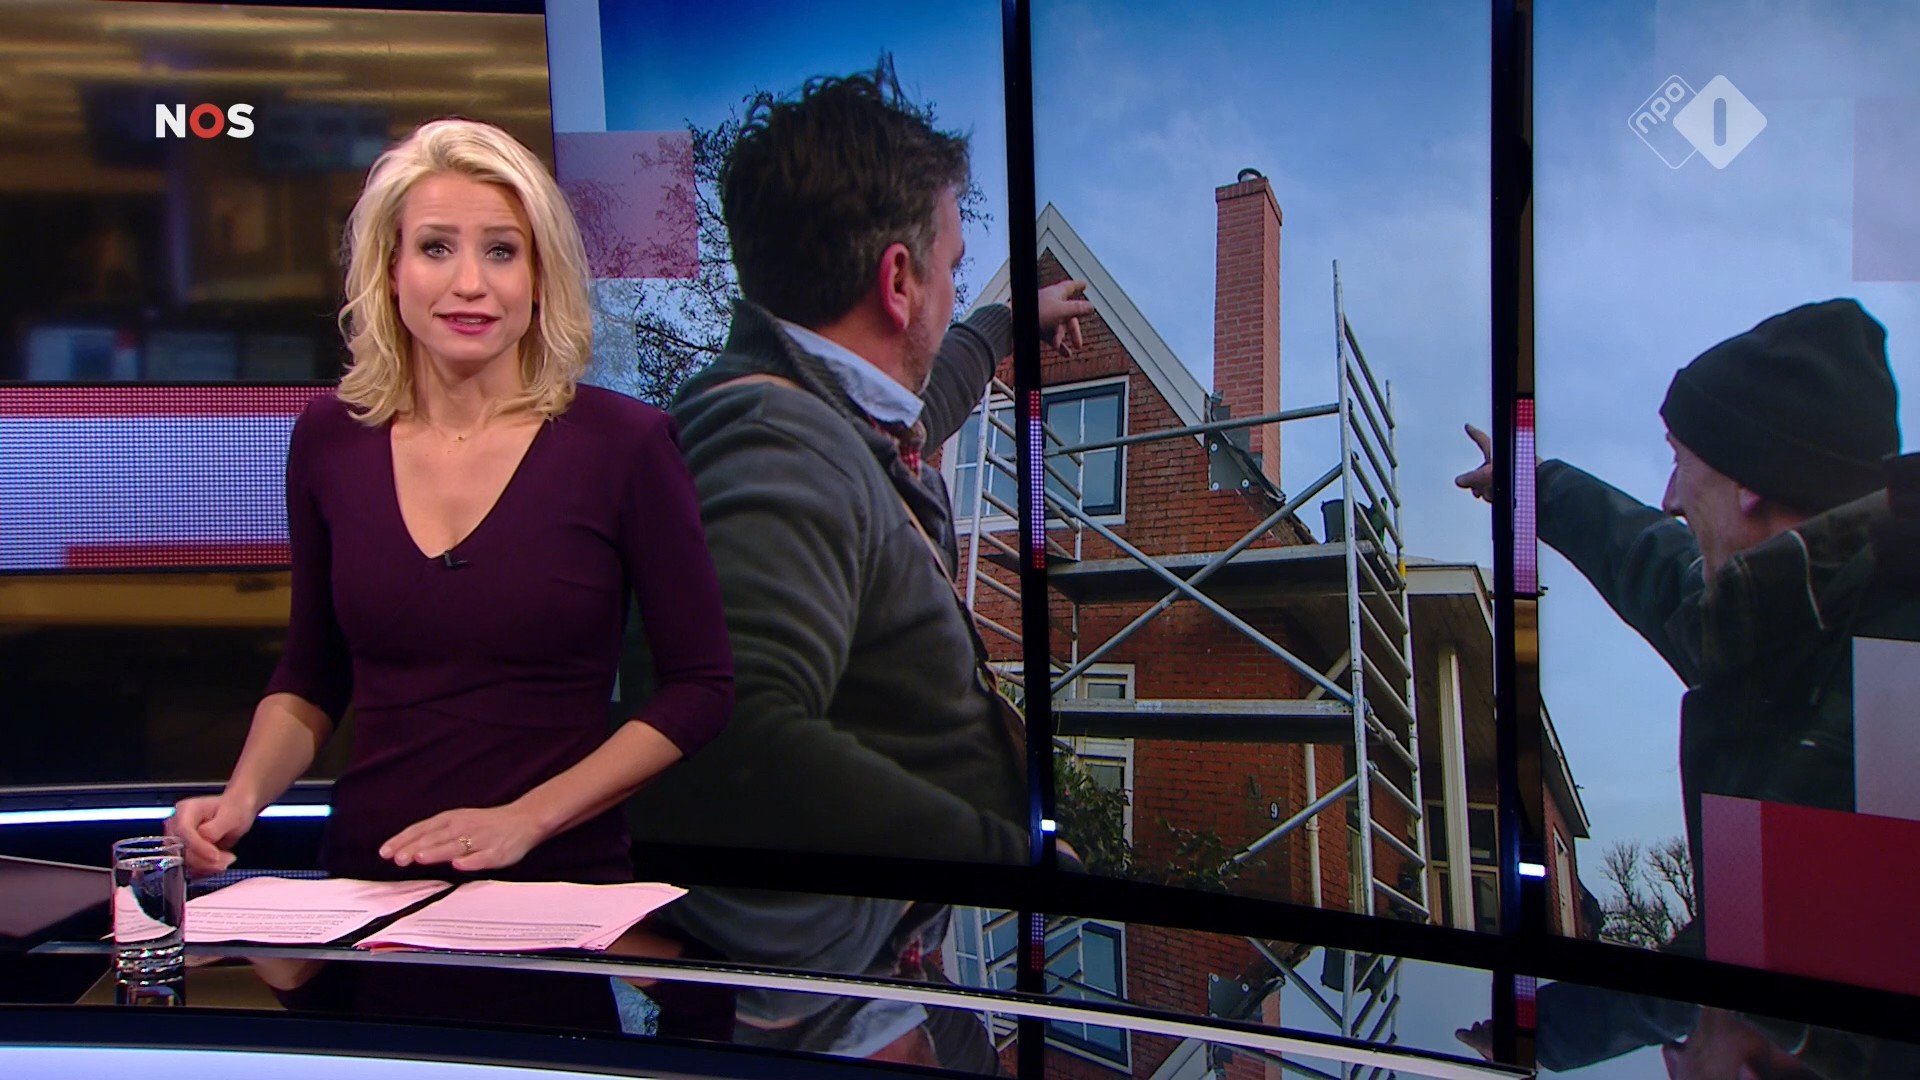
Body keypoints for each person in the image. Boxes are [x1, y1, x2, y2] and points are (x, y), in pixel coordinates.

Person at [165, 118, 735, 1031]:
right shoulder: (329, 438)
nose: (470, 282)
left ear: (539, 275)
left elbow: (701, 689)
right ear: (389, 270)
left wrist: (527, 820)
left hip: (554, 901)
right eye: (436, 248)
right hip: (366, 900)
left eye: (501, 251)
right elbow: (311, 675)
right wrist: (239, 803)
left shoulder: (624, 445)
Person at [618, 66, 1093, 1066]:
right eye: (951, 266)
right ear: (896, 280)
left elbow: (923, 404)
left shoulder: (814, 409)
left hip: (880, 981)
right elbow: (732, 736)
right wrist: (1015, 858)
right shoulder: (774, 441)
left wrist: (1008, 325)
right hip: (837, 1015)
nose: (954, 291)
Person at [1455, 298, 1920, 1072]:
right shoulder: (1782, 619)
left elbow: (1755, 958)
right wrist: (1529, 485)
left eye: (1680, 460)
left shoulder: (1890, 680)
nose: (1671, 497)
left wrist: (1548, 1031)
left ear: (1747, 482)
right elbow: (1649, 560)